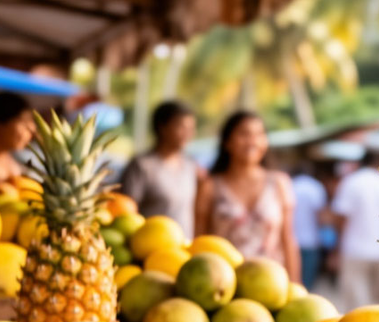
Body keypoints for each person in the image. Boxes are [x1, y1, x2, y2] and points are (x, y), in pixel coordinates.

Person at [195, 111, 300, 280]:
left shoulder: (279, 183)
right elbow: (199, 240)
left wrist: (296, 283)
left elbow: (288, 239)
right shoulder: (210, 186)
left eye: (259, 134)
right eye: (244, 134)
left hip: (272, 283)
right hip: (223, 283)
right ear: (227, 142)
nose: (253, 141)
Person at [329, 152, 379, 310]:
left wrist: (336, 250)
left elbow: (342, 219)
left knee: (357, 308)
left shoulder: (351, 182)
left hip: (355, 253)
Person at [121, 101, 203, 238]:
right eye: (181, 127)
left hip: (183, 247)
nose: (188, 133)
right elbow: (126, 211)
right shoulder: (142, 166)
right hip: (150, 247)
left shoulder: (190, 165)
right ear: (162, 128)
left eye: (191, 128)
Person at [291, 162, 328, 290]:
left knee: (292, 280)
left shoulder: (290, 184)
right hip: (311, 240)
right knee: (307, 282)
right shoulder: (315, 187)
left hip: (290, 239)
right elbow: (321, 216)